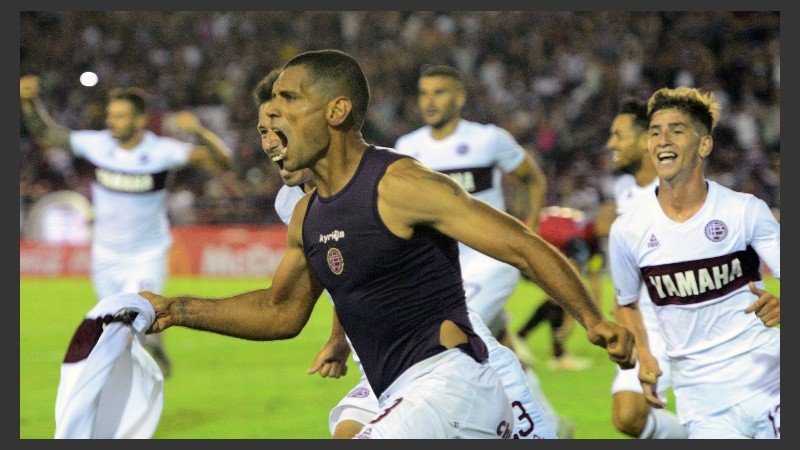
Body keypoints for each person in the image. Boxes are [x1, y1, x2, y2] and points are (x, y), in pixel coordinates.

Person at [140, 49, 636, 439]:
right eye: (268, 114)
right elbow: (280, 313)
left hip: (451, 384)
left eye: (289, 100)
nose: (272, 120)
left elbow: (520, 245)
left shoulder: (399, 184)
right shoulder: (307, 216)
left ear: (337, 110)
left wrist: (593, 320)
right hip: (398, 388)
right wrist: (178, 310)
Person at [254, 70, 560, 440]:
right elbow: (348, 274)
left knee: (477, 331)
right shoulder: (292, 205)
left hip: (453, 319)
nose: (273, 143)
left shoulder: (384, 175)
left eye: (281, 129)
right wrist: (339, 337)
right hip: (383, 362)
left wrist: (537, 225)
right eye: (265, 132)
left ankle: (535, 418)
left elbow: (524, 214)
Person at [391, 65, 574, 436]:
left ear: (459, 98)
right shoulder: (407, 149)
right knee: (497, 347)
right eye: (424, 93)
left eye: (439, 92)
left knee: (454, 336)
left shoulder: (488, 139)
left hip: (490, 258)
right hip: (442, 269)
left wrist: (530, 230)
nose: (429, 100)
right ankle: (551, 426)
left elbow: (532, 178)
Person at [20, 75, 233, 378]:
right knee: (114, 324)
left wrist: (199, 130)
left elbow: (223, 162)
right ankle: (153, 344)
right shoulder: (97, 145)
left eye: (120, 116)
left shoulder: (162, 151)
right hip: (105, 256)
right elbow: (46, 133)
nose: (112, 122)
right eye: (110, 115)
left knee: (134, 316)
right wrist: (28, 101)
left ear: (140, 120)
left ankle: (145, 367)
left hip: (146, 254)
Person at [609, 86, 780, 439]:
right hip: (702, 403)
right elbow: (626, 303)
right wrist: (645, 353)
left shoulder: (744, 211)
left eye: (676, 130)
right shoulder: (627, 229)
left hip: (768, 381)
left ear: (704, 145)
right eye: (655, 132)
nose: (662, 139)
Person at [595, 98, 687, 439]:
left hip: (688, 317)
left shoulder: (680, 190)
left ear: (647, 139)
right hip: (645, 322)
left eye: (619, 135)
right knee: (628, 416)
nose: (611, 144)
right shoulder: (625, 191)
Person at [515, 207, 597, 372]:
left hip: (525, 237)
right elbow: (571, 286)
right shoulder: (579, 241)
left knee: (555, 298)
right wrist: (571, 323)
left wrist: (594, 319)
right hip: (521, 243)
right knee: (558, 296)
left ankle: (523, 337)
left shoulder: (581, 231)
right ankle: (558, 355)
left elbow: (595, 279)